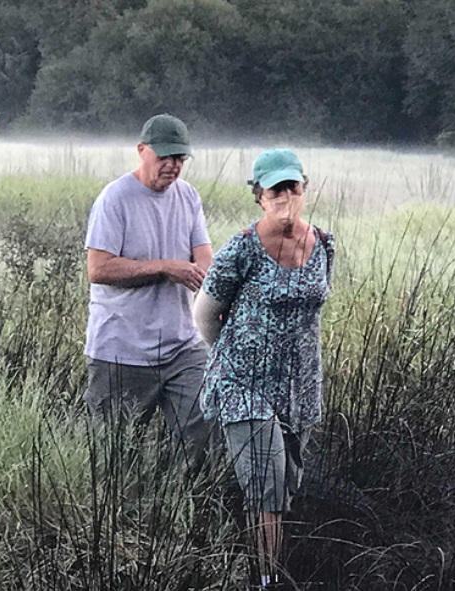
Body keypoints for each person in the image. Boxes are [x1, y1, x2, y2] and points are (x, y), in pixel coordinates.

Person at [193, 148, 334, 590]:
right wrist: (236, 357)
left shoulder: (324, 244)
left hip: (300, 387)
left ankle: (265, 564)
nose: (285, 196)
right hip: (244, 385)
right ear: (259, 196)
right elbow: (204, 315)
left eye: (292, 186)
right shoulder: (242, 248)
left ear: (304, 189)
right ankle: (265, 580)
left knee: (285, 487)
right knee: (266, 489)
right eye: (275, 189)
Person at [83, 113, 214, 469]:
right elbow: (99, 268)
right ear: (142, 151)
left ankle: (176, 504)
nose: (172, 166)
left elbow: (204, 257)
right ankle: (124, 516)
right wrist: (165, 268)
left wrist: (207, 276)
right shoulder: (115, 199)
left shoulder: (188, 197)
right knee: (112, 454)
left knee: (203, 423)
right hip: (121, 350)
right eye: (165, 157)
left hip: (182, 346)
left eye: (180, 159)